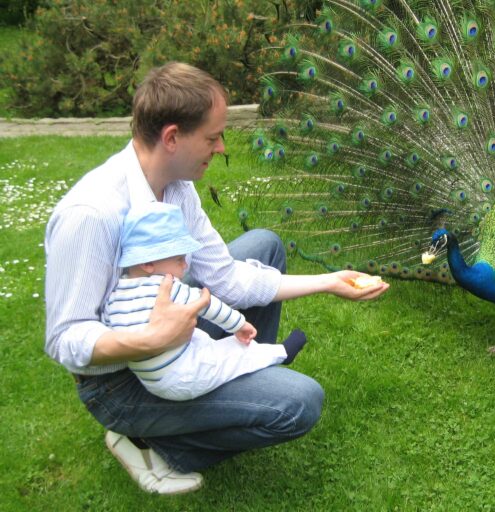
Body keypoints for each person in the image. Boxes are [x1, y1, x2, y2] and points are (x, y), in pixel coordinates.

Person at [44, 62, 389, 495]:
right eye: (212, 137)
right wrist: (149, 341)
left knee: (265, 246)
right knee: (300, 403)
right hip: (121, 382)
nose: (221, 147)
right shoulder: (91, 215)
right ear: (172, 138)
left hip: (172, 344)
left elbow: (226, 280)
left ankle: (239, 379)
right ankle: (155, 445)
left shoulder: (176, 187)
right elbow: (65, 340)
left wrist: (329, 281)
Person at [106, 201, 308, 401]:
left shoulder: (115, 297)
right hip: (184, 378)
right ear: (148, 264)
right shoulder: (166, 288)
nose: (185, 265)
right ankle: (280, 353)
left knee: (206, 341)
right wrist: (239, 325)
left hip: (153, 382)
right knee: (233, 359)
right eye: (178, 259)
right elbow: (209, 305)